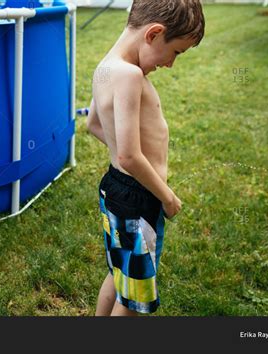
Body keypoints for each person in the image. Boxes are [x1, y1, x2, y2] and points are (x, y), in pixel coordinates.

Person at [86, 0, 205, 316]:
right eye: (176, 52)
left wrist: (122, 151)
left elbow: (93, 125)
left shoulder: (106, 67)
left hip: (115, 189)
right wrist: (167, 197)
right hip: (139, 200)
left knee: (119, 272)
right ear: (154, 33)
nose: (170, 64)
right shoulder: (130, 76)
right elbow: (128, 156)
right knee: (134, 300)